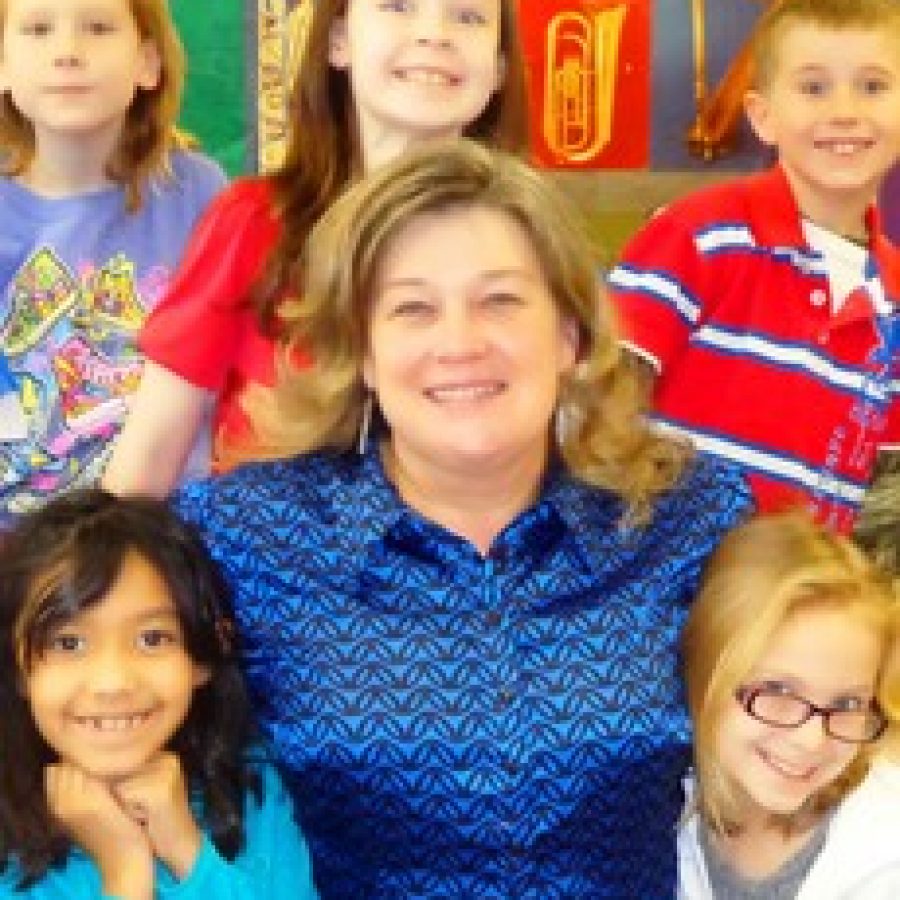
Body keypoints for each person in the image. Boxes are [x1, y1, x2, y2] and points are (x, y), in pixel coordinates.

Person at [170, 140, 752, 897]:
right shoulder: (243, 534)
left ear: (570, 336)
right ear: (364, 355)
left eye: (501, 300)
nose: (461, 343)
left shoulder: (689, 517)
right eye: (413, 308)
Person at [102, 0, 529, 497]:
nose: (434, 34)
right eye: (398, 6)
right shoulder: (252, 224)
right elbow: (147, 462)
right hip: (260, 566)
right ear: (338, 41)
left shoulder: (531, 246)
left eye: (469, 16)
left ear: (499, 68)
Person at [607, 0, 900, 534]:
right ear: (763, 117)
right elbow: (601, 394)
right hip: (655, 582)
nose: (845, 111)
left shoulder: (895, 296)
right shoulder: (696, 233)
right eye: (813, 88)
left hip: (800, 602)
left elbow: (885, 496)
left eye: (873, 87)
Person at [0, 489, 318, 899]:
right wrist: (125, 873)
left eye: (152, 639)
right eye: (68, 643)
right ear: (16, 666)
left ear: (203, 654)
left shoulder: (248, 788)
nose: (112, 683)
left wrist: (186, 849)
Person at [0, 0, 227, 529]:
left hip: (164, 528)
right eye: (38, 30)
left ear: (148, 62)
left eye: (98, 27)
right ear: (3, 66)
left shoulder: (196, 193)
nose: (67, 52)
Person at [678, 512, 900, 898]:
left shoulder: (886, 846)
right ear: (703, 671)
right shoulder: (652, 820)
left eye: (848, 703)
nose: (811, 740)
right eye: (779, 691)